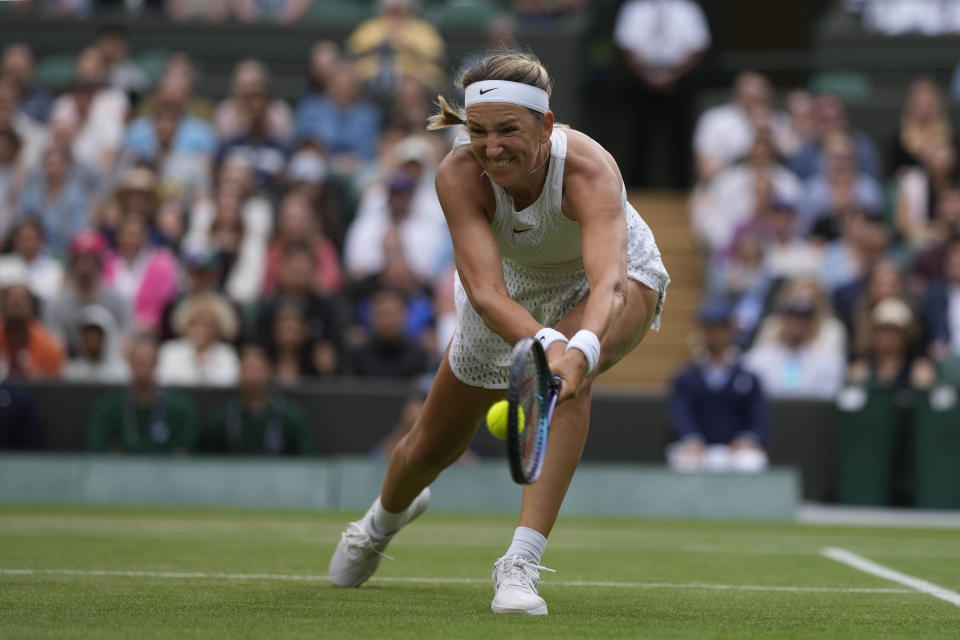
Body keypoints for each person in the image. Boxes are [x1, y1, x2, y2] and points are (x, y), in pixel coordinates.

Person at [328, 52, 670, 616]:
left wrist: (577, 348)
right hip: (508, 292)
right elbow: (487, 296)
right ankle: (379, 523)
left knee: (565, 385)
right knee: (429, 448)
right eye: (479, 131)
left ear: (547, 126)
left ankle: (520, 563)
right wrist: (545, 340)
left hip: (613, 277)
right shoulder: (458, 177)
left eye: (509, 130)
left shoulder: (589, 168)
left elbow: (609, 281)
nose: (491, 147)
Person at [667, 300, 769, 473]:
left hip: (736, 451)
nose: (714, 334)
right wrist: (691, 439)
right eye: (708, 328)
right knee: (684, 461)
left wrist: (747, 439)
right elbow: (681, 413)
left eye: (719, 328)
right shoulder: (685, 377)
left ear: (730, 330)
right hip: (698, 449)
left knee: (751, 462)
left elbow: (758, 415)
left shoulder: (749, 377)